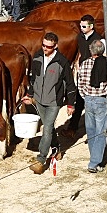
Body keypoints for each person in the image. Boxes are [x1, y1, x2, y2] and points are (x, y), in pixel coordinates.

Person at [22, 32, 76, 166]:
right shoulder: (37, 57)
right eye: (43, 45)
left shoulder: (62, 62)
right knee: (49, 127)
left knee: (46, 128)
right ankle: (57, 148)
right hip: (39, 100)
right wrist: (30, 94)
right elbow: (34, 78)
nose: (45, 48)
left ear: (55, 46)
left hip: (54, 102)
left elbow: (70, 84)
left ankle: (41, 159)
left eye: (48, 47)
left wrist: (71, 104)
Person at [77, 39, 107, 173]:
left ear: (91, 50)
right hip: (101, 99)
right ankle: (94, 162)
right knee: (101, 132)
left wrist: (84, 96)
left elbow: (79, 83)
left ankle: (94, 158)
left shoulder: (84, 64)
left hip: (88, 99)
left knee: (91, 131)